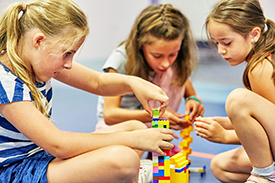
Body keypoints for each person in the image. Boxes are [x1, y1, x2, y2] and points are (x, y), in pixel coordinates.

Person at [0, 1, 175, 183]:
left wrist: (134, 82)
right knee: (124, 159)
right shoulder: (5, 82)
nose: (68, 64)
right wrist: (134, 139)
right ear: (38, 41)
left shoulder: (38, 60)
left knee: (136, 127)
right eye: (67, 53)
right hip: (16, 171)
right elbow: (59, 145)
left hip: (39, 157)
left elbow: (97, 82)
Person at [96, 4, 204, 140]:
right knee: (127, 157)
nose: (166, 63)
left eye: (173, 54)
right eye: (157, 56)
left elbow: (184, 81)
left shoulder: (173, 59)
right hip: (118, 126)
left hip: (151, 123)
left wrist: (192, 98)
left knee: (172, 70)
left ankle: (157, 143)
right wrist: (155, 115)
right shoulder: (121, 60)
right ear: (141, 45)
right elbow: (110, 115)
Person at [194, 0, 275, 182]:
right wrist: (225, 122)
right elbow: (265, 120)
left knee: (238, 99)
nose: (221, 51)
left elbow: (269, 134)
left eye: (227, 43)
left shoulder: (261, 68)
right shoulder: (261, 57)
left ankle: (266, 175)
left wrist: (224, 136)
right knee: (220, 166)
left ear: (254, 34)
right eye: (216, 43)